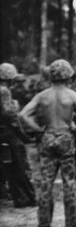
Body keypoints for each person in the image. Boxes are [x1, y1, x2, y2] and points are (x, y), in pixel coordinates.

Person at [19, 59, 76, 227]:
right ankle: (72, 221)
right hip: (66, 137)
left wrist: (38, 130)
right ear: (68, 75)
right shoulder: (73, 95)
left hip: (48, 137)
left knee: (45, 180)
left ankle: (44, 221)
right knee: (69, 180)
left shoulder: (42, 96)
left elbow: (23, 115)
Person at [0, 62, 37, 208]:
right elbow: (9, 114)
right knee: (19, 165)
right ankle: (27, 197)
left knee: (9, 166)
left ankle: (18, 197)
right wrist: (23, 136)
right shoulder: (4, 91)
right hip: (7, 132)